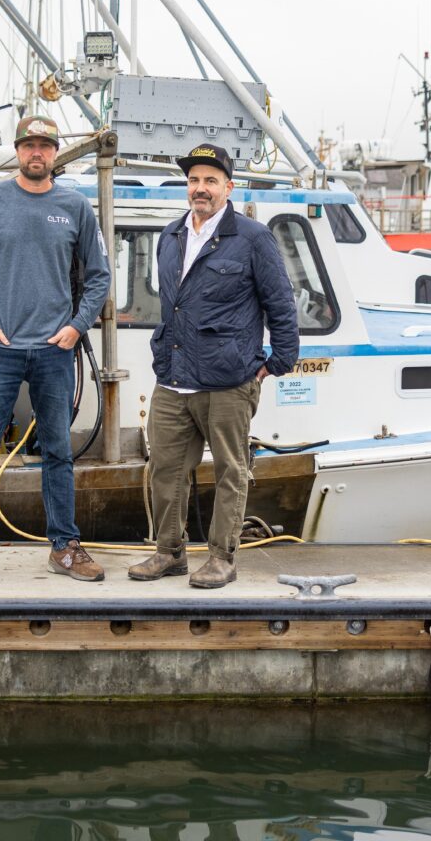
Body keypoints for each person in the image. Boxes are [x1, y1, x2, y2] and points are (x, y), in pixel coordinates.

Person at [0, 114, 111, 586]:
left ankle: (65, 548)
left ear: (55, 153)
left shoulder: (75, 206)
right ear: (17, 151)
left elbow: (100, 276)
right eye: (29, 145)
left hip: (55, 351)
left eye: (45, 146)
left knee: (58, 451)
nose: (37, 152)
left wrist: (76, 326)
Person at [128, 143, 299, 588]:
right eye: (193, 180)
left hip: (228, 380)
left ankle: (222, 558)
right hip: (174, 377)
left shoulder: (253, 238)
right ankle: (169, 553)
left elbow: (281, 304)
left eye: (210, 180)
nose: (200, 188)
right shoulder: (171, 235)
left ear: (228, 187)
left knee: (230, 470)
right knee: (165, 469)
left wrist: (276, 363)